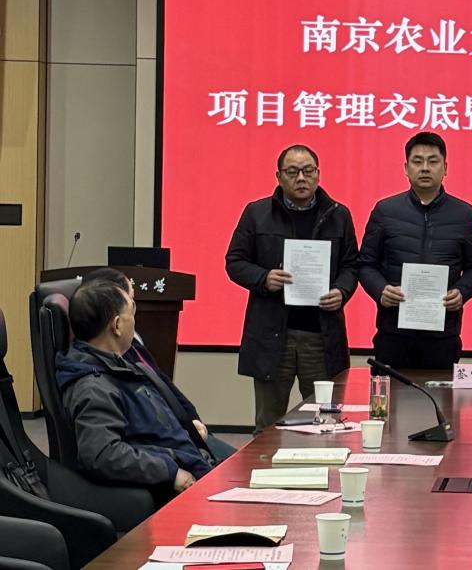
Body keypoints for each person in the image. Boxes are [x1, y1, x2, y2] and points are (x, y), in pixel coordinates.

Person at [225, 144, 360, 433]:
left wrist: (341, 291)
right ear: (278, 176)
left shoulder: (339, 215)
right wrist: (263, 278)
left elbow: (352, 265)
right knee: (268, 426)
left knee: (326, 423)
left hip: (321, 336)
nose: (301, 178)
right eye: (292, 171)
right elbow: (234, 261)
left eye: (308, 171)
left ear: (318, 174)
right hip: (274, 335)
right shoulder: (257, 213)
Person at [55, 279, 214, 498]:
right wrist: (170, 472)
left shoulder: (116, 364)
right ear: (117, 325)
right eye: (132, 312)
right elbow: (102, 454)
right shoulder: (93, 386)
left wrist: (185, 428)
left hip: (191, 461)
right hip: (173, 487)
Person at [359, 131, 472, 368]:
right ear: (406, 168)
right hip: (393, 331)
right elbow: (366, 264)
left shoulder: (464, 214)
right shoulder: (385, 210)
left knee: (440, 393)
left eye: (433, 161)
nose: (425, 168)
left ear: (445, 167)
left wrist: (462, 292)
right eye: (417, 161)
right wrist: (381, 290)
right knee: (389, 393)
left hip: (443, 334)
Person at [88, 267, 235, 461]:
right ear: (115, 321)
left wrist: (191, 421)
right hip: (169, 450)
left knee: (241, 463)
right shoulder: (106, 372)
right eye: (131, 305)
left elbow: (164, 385)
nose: (134, 314)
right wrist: (183, 436)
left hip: (182, 437)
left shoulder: (131, 347)